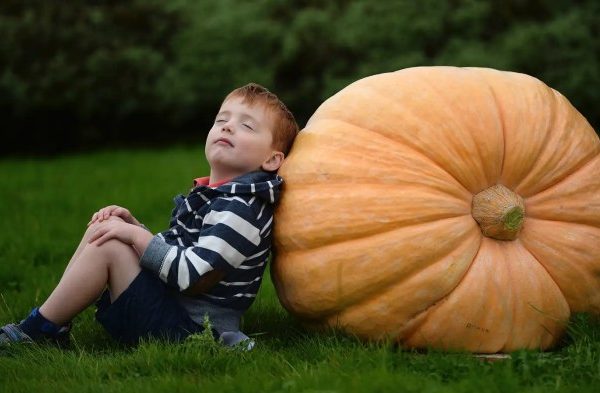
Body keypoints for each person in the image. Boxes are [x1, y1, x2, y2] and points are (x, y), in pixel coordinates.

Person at [0, 83, 299, 348]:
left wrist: (136, 238)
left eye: (247, 126)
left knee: (111, 244)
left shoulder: (242, 208)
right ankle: (53, 321)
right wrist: (135, 228)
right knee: (108, 228)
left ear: (272, 159)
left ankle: (39, 329)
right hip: (173, 310)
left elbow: (194, 276)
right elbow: (180, 252)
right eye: (221, 120)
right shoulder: (220, 196)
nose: (228, 127)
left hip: (193, 331)